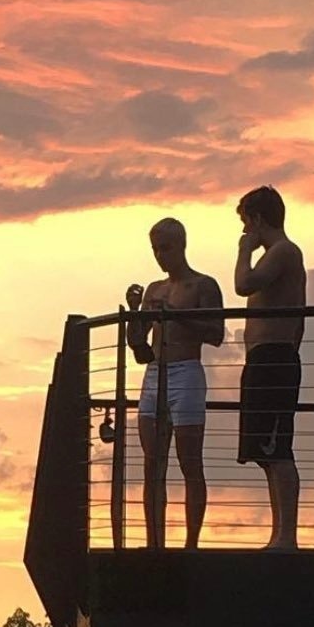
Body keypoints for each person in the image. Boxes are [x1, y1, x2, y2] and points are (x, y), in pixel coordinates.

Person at [124, 218, 224, 548]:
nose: (160, 255)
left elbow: (216, 333)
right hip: (155, 372)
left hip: (187, 371)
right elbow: (138, 346)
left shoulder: (203, 285)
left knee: (189, 460)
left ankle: (191, 543)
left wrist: (176, 315)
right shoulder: (155, 289)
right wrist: (136, 314)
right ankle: (154, 542)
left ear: (181, 245)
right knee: (152, 462)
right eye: (155, 249)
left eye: (165, 248)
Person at [233, 186, 306, 549]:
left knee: (277, 449)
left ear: (259, 219)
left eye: (247, 223)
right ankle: (279, 533)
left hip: (275, 359)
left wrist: (243, 251)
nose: (245, 231)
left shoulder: (283, 252)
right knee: (264, 452)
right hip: (263, 360)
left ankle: (287, 535)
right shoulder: (277, 255)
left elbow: (243, 284)